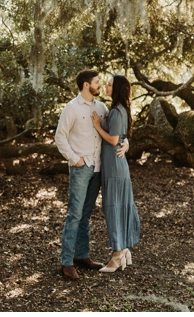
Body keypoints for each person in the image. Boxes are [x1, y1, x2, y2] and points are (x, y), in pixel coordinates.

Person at [54, 70, 128, 280]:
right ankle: (67, 261)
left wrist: (127, 143)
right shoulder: (72, 108)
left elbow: (115, 132)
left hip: (98, 168)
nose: (100, 85)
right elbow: (60, 137)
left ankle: (82, 255)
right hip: (81, 167)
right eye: (97, 82)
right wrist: (74, 159)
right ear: (86, 85)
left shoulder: (101, 107)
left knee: (86, 214)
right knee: (75, 214)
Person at [92, 74, 142, 273]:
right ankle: (122, 250)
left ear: (118, 88)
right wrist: (126, 143)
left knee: (113, 209)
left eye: (110, 84)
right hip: (114, 166)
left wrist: (96, 126)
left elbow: (113, 140)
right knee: (116, 208)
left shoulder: (117, 112)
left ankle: (117, 256)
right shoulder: (117, 110)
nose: (106, 86)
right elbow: (122, 138)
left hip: (114, 168)